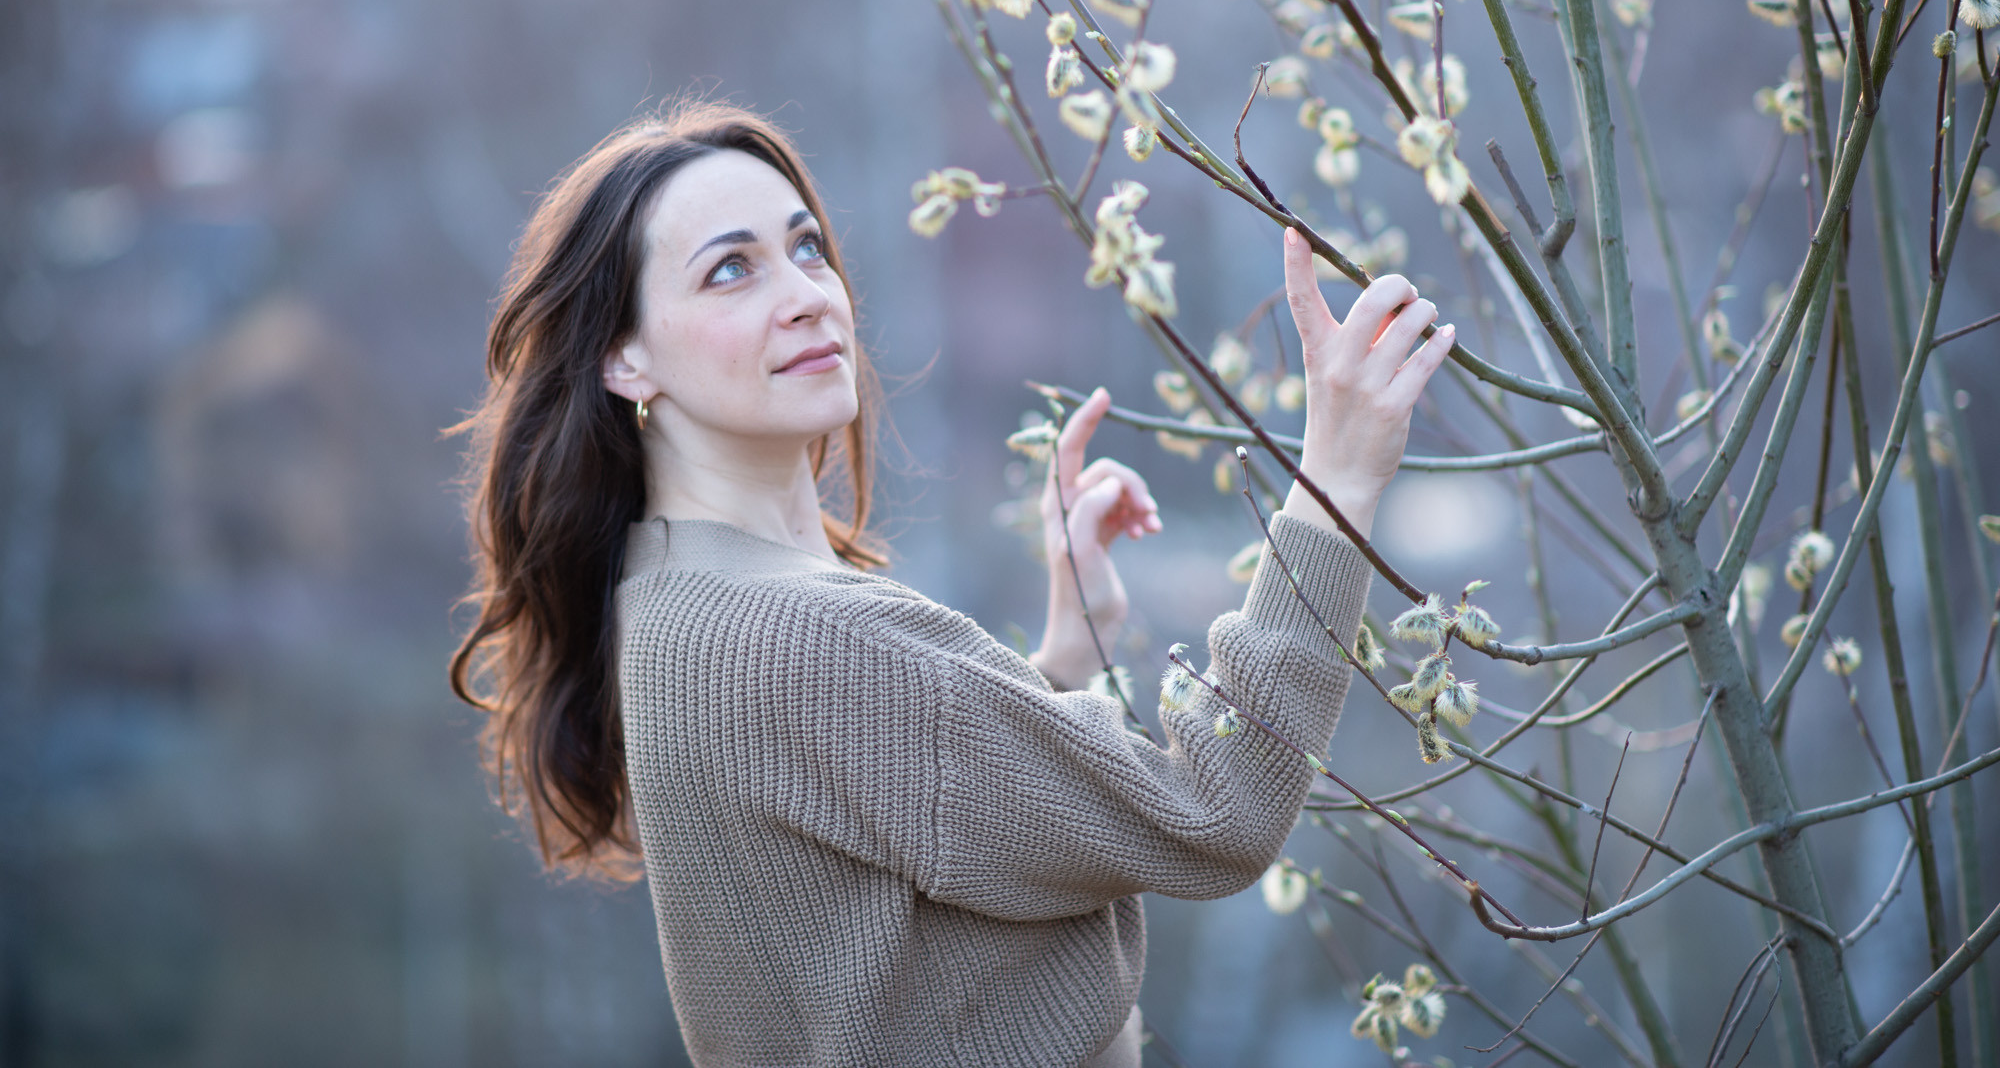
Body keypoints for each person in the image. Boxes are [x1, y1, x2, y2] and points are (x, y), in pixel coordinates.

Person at [450, 102, 1454, 1068]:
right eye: (730, 272)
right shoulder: (794, 637)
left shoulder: (674, 597)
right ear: (624, 358)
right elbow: (1212, 810)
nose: (806, 292)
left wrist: (1068, 649)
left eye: (806, 248)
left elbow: (923, 888)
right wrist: (1334, 486)